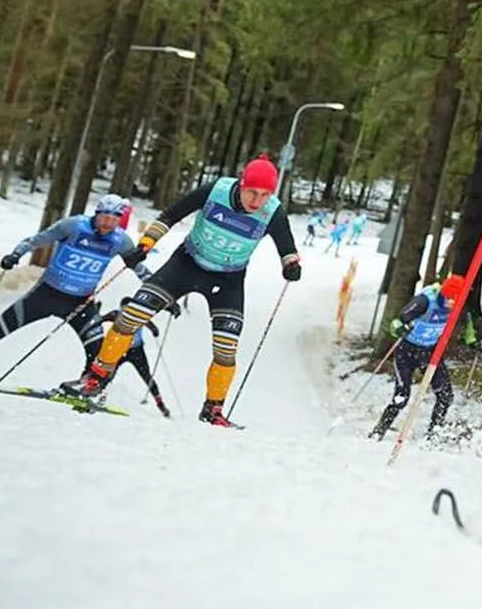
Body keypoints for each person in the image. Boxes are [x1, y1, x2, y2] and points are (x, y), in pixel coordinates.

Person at [59, 155, 301, 428]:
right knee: (130, 316)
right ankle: (95, 379)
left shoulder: (274, 212)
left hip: (229, 280)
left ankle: (214, 410)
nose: (257, 202)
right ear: (241, 184)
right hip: (186, 264)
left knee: (226, 348)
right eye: (252, 192)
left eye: (265, 195)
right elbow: (170, 215)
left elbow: (288, 249)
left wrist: (290, 265)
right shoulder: (216, 191)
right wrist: (146, 244)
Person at [0, 194, 136, 392]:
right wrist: (15, 255)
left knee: (101, 352)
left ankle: (90, 391)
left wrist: (157, 290)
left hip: (79, 304)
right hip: (44, 296)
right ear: (96, 214)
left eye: (114, 220)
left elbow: (138, 265)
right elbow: (36, 240)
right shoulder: (74, 226)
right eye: (105, 217)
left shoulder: (120, 240)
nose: (108, 224)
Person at [367, 281, 477, 441]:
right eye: (449, 300)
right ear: (443, 294)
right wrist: (399, 329)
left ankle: (434, 433)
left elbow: (468, 322)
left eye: (455, 302)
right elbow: (397, 322)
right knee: (401, 397)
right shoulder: (425, 301)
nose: (451, 305)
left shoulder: (458, 305)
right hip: (407, 351)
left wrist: (471, 339)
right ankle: (379, 430)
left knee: (446, 395)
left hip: (430, 352)